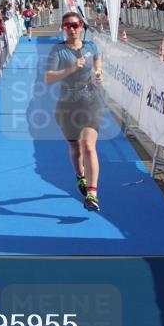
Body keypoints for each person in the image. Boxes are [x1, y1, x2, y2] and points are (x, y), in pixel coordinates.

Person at [44, 11, 104, 212]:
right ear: (63, 29)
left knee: (88, 145)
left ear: (81, 27)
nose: (71, 29)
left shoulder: (90, 46)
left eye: (75, 25)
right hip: (67, 103)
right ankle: (80, 176)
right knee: (75, 148)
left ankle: (92, 194)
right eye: (67, 26)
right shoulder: (57, 51)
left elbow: (97, 59)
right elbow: (49, 78)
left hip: (90, 100)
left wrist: (98, 71)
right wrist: (70, 69)